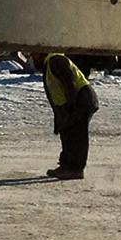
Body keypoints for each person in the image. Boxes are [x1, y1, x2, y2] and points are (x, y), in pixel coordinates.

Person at [34, 51, 98, 179]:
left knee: (76, 134)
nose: (32, 58)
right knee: (67, 132)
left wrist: (72, 105)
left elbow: (70, 83)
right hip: (71, 103)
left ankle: (75, 169)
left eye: (33, 54)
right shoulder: (50, 63)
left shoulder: (56, 60)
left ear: (41, 53)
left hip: (81, 100)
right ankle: (66, 166)